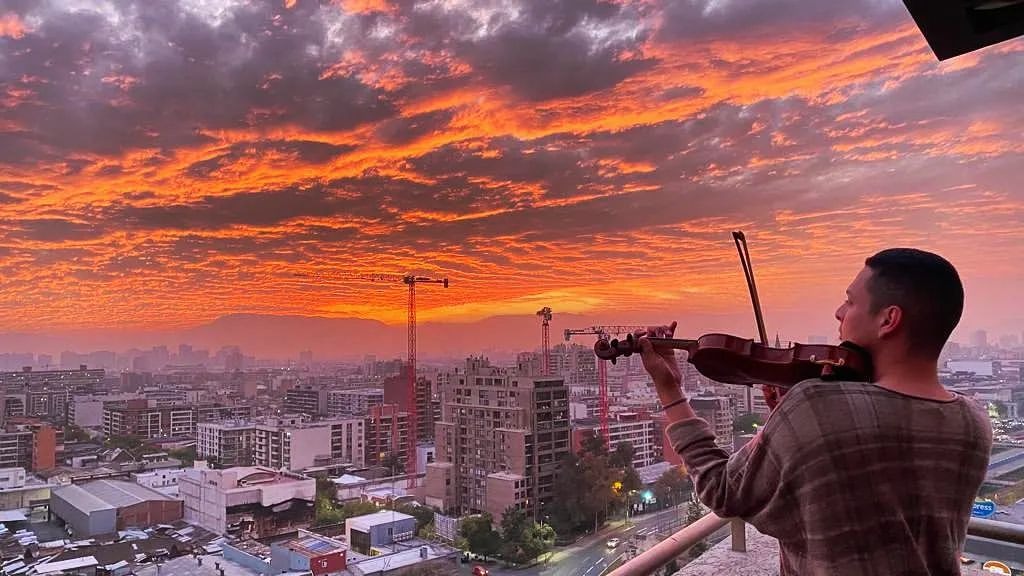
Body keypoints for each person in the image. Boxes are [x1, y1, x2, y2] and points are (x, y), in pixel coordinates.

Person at [637, 248, 993, 575]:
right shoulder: (975, 422)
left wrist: (670, 389)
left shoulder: (816, 405)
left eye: (850, 302)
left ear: (889, 320)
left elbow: (723, 491)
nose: (839, 312)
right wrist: (790, 424)